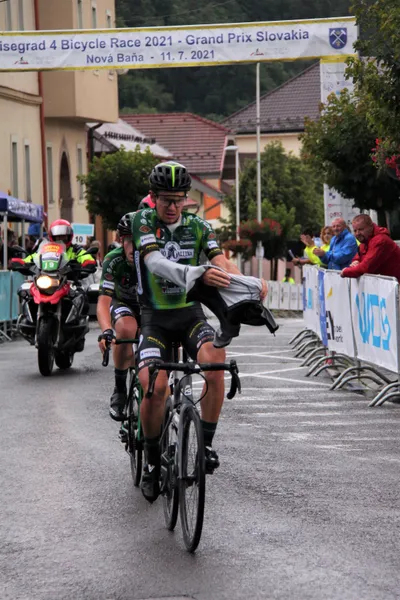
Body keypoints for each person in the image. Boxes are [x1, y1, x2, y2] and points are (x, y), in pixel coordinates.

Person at [130, 160, 267, 502]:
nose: (173, 207)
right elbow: (155, 264)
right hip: (155, 318)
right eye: (166, 200)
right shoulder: (141, 221)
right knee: (155, 386)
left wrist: (249, 283)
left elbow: (221, 263)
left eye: (179, 200)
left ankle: (205, 444)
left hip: (190, 314)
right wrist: (196, 274)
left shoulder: (199, 226)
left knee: (216, 362)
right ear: (153, 197)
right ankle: (150, 462)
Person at [97, 214, 140, 421]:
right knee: (126, 328)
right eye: (128, 241)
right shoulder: (113, 260)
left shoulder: (156, 259)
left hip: (151, 306)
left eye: (139, 240)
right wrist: (106, 330)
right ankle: (120, 390)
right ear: (121, 240)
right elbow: (104, 301)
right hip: (123, 303)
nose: (133, 247)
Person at [341, 214, 400, 280]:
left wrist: (345, 272)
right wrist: (355, 262)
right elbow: (357, 257)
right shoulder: (365, 241)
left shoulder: (380, 241)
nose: (357, 233)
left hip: (395, 286)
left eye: (361, 229)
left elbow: (366, 267)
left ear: (371, 227)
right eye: (355, 230)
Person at [18, 219, 96, 268]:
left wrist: (88, 262)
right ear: (53, 237)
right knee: (25, 291)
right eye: (58, 237)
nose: (61, 240)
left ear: (69, 237)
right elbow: (34, 256)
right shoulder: (47, 250)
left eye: (63, 237)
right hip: (46, 279)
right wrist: (22, 262)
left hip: (70, 282)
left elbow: (85, 256)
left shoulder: (76, 250)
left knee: (82, 292)